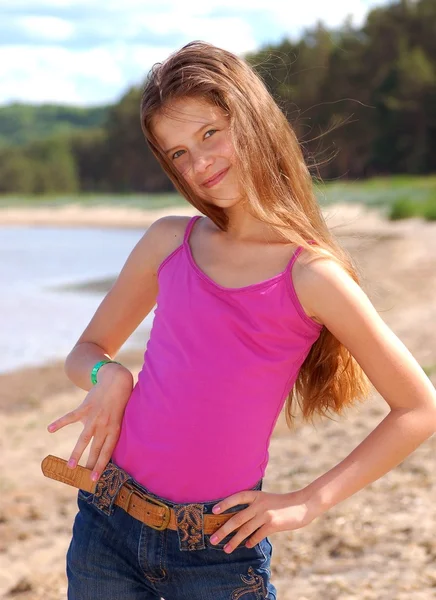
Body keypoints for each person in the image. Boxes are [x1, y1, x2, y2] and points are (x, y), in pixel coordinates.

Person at [46, 41, 436, 600]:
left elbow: (418, 409)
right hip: (106, 524)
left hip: (217, 552)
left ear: (252, 118)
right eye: (178, 152)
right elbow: (86, 349)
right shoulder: (167, 243)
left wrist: (307, 502)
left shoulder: (312, 276)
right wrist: (106, 377)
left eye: (210, 133)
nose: (199, 162)